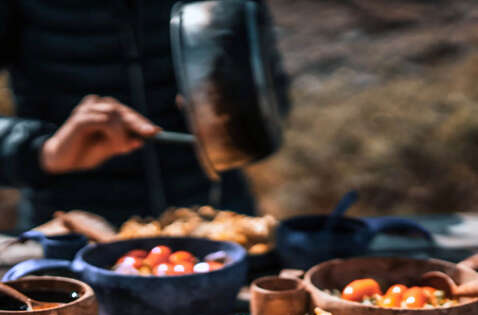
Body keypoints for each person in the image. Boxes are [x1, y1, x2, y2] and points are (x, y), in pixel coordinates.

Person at [0, 1, 288, 228]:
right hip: (74, 233)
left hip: (218, 222)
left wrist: (237, 112)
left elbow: (273, 97)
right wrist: (41, 151)